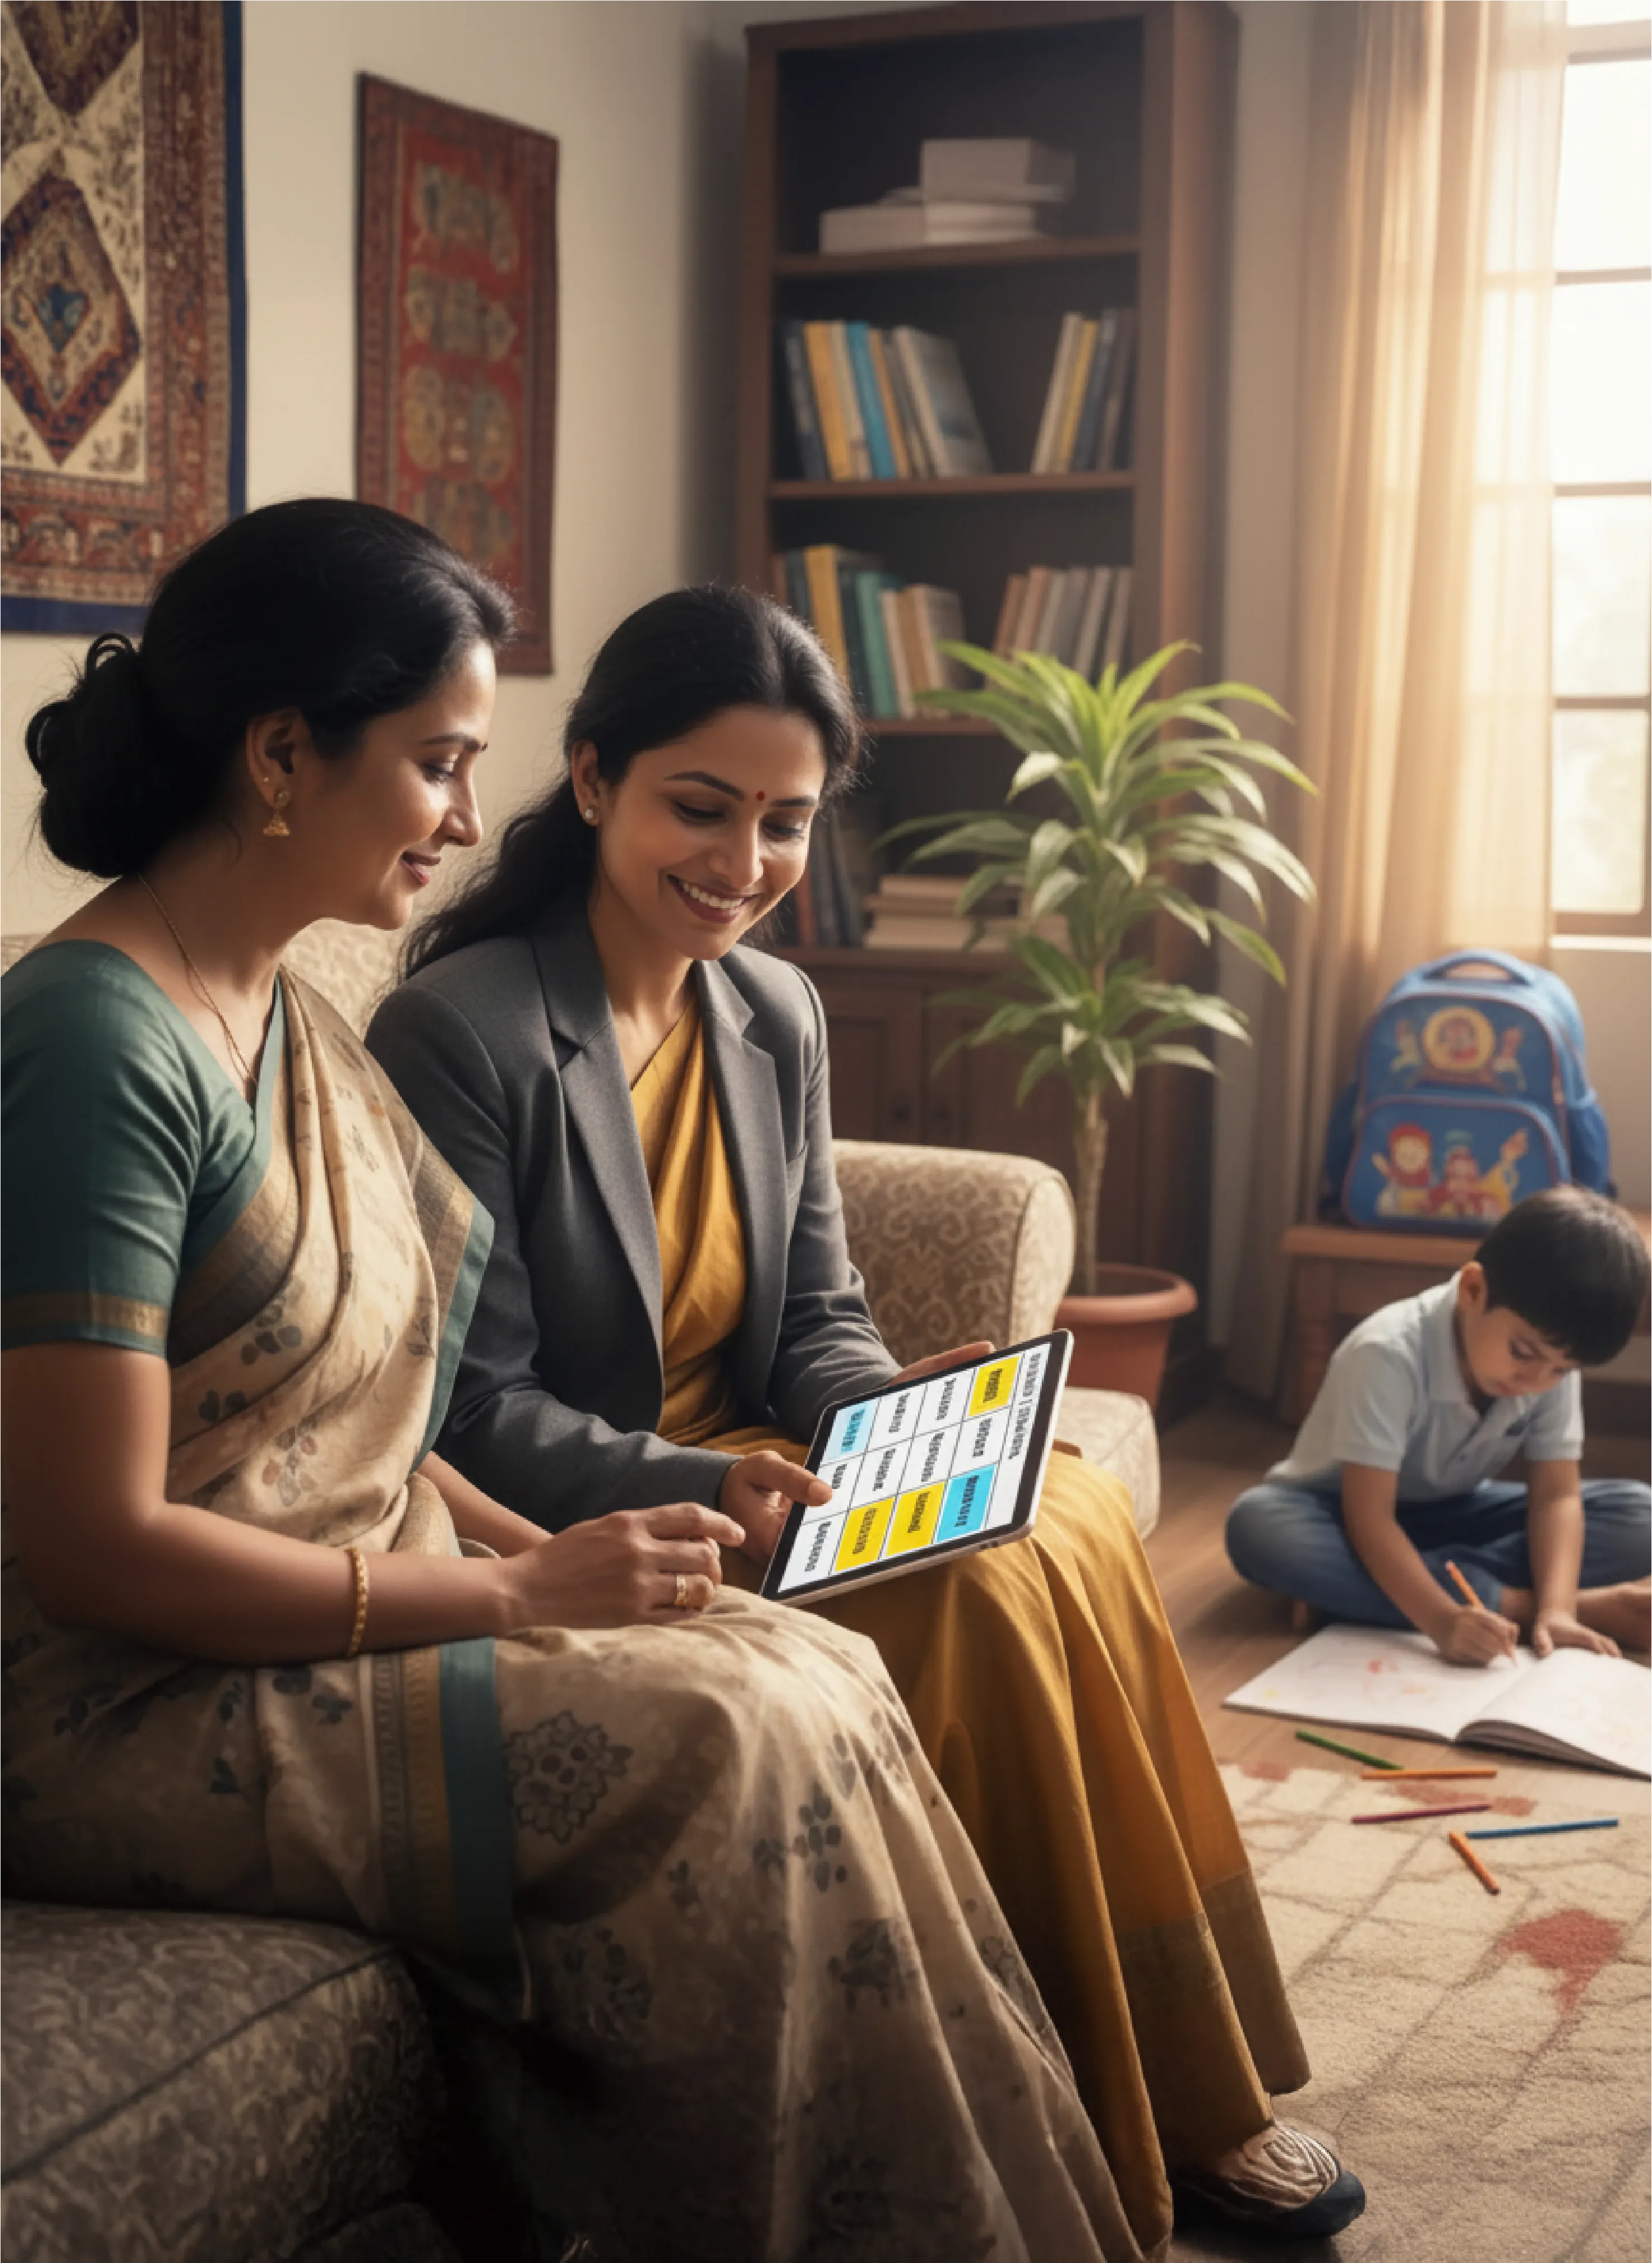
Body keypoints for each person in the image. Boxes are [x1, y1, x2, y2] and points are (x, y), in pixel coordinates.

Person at [0, 505, 1151, 2263]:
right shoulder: (95, 1040)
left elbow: (374, 1425)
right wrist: (517, 1593)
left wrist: (552, 1557)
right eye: (439, 762)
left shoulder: (283, 1012)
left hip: (338, 1603)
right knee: (727, 1732)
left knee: (810, 1664)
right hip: (129, 1700)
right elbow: (95, 1551)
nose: (471, 818)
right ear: (281, 755)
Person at [365, 583, 1366, 2251]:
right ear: (594, 776)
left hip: (778, 1470)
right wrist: (720, 1477)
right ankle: (1086, 2099)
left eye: (783, 821)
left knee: (1068, 1504)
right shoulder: (461, 1029)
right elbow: (468, 1404)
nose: (741, 862)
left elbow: (815, 1317)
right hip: (619, 1506)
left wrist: (885, 1406)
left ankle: (1183, 2072)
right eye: (701, 807)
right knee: (965, 1588)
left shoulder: (773, 1011)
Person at [1227, 1188, 1652, 1662]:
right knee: (1258, 1528)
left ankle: (1357, 1593)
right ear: (1472, 1290)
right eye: (1521, 1353)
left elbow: (1556, 1495)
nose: (1536, 1381)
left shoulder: (1547, 1364)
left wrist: (1559, 1610)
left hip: (1453, 1513)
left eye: (1561, 1369)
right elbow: (1369, 1516)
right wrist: (1440, 1619)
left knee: (1641, 1516)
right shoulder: (1386, 1354)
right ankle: (1512, 1604)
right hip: (1341, 1514)